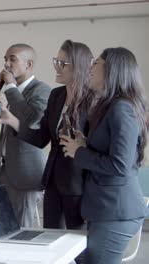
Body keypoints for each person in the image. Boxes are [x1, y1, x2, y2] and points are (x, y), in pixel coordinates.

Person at [60, 47, 148, 264]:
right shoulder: (110, 106)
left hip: (116, 211)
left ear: (112, 70)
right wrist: (84, 143)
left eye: (96, 63)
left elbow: (119, 165)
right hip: (104, 209)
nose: (89, 68)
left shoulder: (122, 108)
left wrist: (78, 152)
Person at [0, 40, 93, 231]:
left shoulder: (91, 100)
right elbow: (41, 138)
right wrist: (11, 121)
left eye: (62, 63)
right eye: (57, 61)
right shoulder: (57, 95)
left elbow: (31, 118)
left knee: (76, 246)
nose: (56, 66)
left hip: (77, 184)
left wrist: (12, 89)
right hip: (52, 181)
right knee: (51, 238)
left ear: (78, 67)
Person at [0, 44, 51, 227]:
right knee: (1, 228)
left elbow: (31, 120)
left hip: (25, 175)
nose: (7, 64)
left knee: (20, 233)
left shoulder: (41, 90)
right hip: (5, 171)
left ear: (29, 64)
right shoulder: (14, 93)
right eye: (5, 59)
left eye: (12, 59)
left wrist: (10, 86)